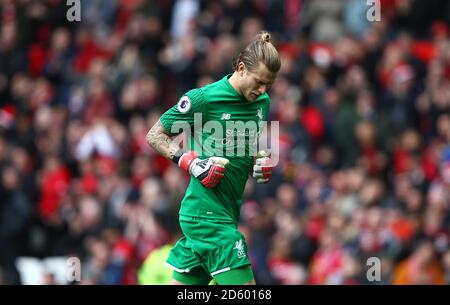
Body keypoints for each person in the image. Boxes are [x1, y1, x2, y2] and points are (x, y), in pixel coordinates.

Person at [146, 31, 280, 285]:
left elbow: (243, 147)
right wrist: (193, 163)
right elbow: (155, 135)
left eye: (268, 85)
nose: (262, 89)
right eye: (259, 81)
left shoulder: (261, 102)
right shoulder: (203, 99)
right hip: (207, 215)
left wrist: (260, 162)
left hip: (225, 212)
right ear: (241, 68)